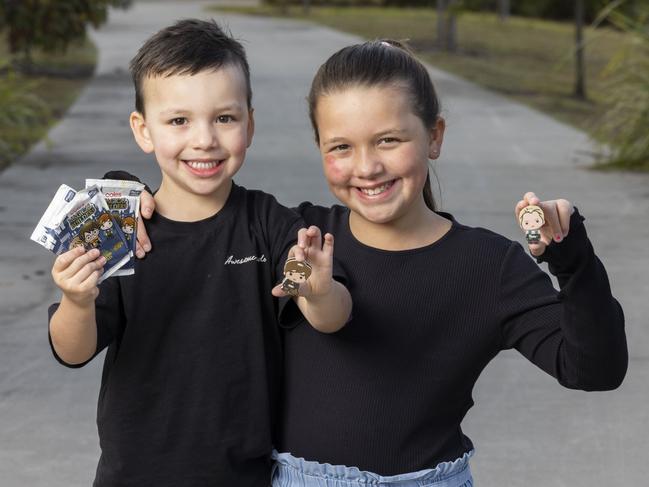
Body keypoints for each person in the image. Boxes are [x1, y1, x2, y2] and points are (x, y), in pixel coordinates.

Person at [132, 39, 628, 486]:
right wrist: (128, 195)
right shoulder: (298, 236)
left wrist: (572, 258)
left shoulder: (488, 266)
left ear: (434, 136)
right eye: (341, 147)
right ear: (320, 149)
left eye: (388, 140)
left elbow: (594, 369)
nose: (367, 167)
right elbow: (198, 222)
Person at [47, 19, 351, 487]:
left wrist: (318, 290)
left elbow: (329, 315)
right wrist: (76, 300)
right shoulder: (119, 226)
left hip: (245, 473)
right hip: (135, 474)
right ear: (143, 130)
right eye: (178, 120)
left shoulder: (267, 223)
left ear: (249, 125)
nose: (204, 139)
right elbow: (72, 351)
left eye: (224, 118)